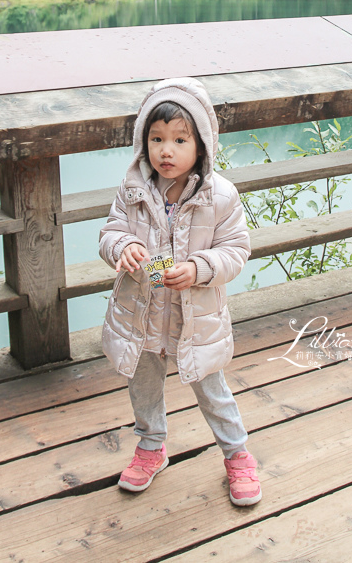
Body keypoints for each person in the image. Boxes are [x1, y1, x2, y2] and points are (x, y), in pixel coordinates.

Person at [99, 76, 261, 506]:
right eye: (156, 139)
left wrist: (198, 268)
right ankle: (151, 447)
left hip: (195, 319)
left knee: (212, 389)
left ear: (202, 145)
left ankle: (237, 454)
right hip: (142, 313)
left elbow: (236, 251)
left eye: (179, 140)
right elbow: (110, 233)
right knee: (143, 385)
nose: (165, 151)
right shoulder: (133, 189)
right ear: (143, 141)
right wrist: (125, 246)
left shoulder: (220, 196)